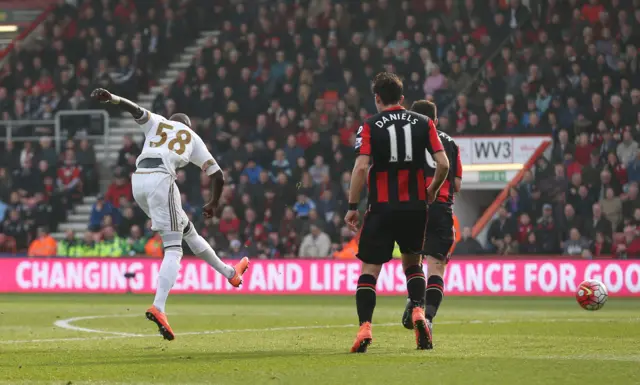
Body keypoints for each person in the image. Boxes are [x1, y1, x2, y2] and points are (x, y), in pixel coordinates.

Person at [91, 88, 250, 341]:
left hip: (139, 182)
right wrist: (213, 203)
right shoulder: (193, 138)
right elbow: (218, 175)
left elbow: (135, 109)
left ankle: (231, 274)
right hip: (161, 181)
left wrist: (113, 99)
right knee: (174, 248)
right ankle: (159, 307)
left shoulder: (158, 122)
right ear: (187, 126)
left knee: (188, 231)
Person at [344, 73, 449, 353]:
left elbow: (361, 168)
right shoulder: (425, 123)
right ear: (402, 99)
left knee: (370, 270)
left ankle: (365, 326)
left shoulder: (369, 125)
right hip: (415, 208)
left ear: (377, 98)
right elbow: (443, 164)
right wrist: (432, 190)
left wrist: (353, 206)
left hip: (380, 208)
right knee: (413, 265)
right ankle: (417, 311)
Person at [400, 99, 463, 344]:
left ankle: (413, 300)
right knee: (436, 269)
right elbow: (456, 184)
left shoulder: (406, 142)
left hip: (412, 208)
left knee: (413, 265)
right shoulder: (451, 143)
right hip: (441, 208)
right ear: (435, 121)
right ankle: (427, 319)